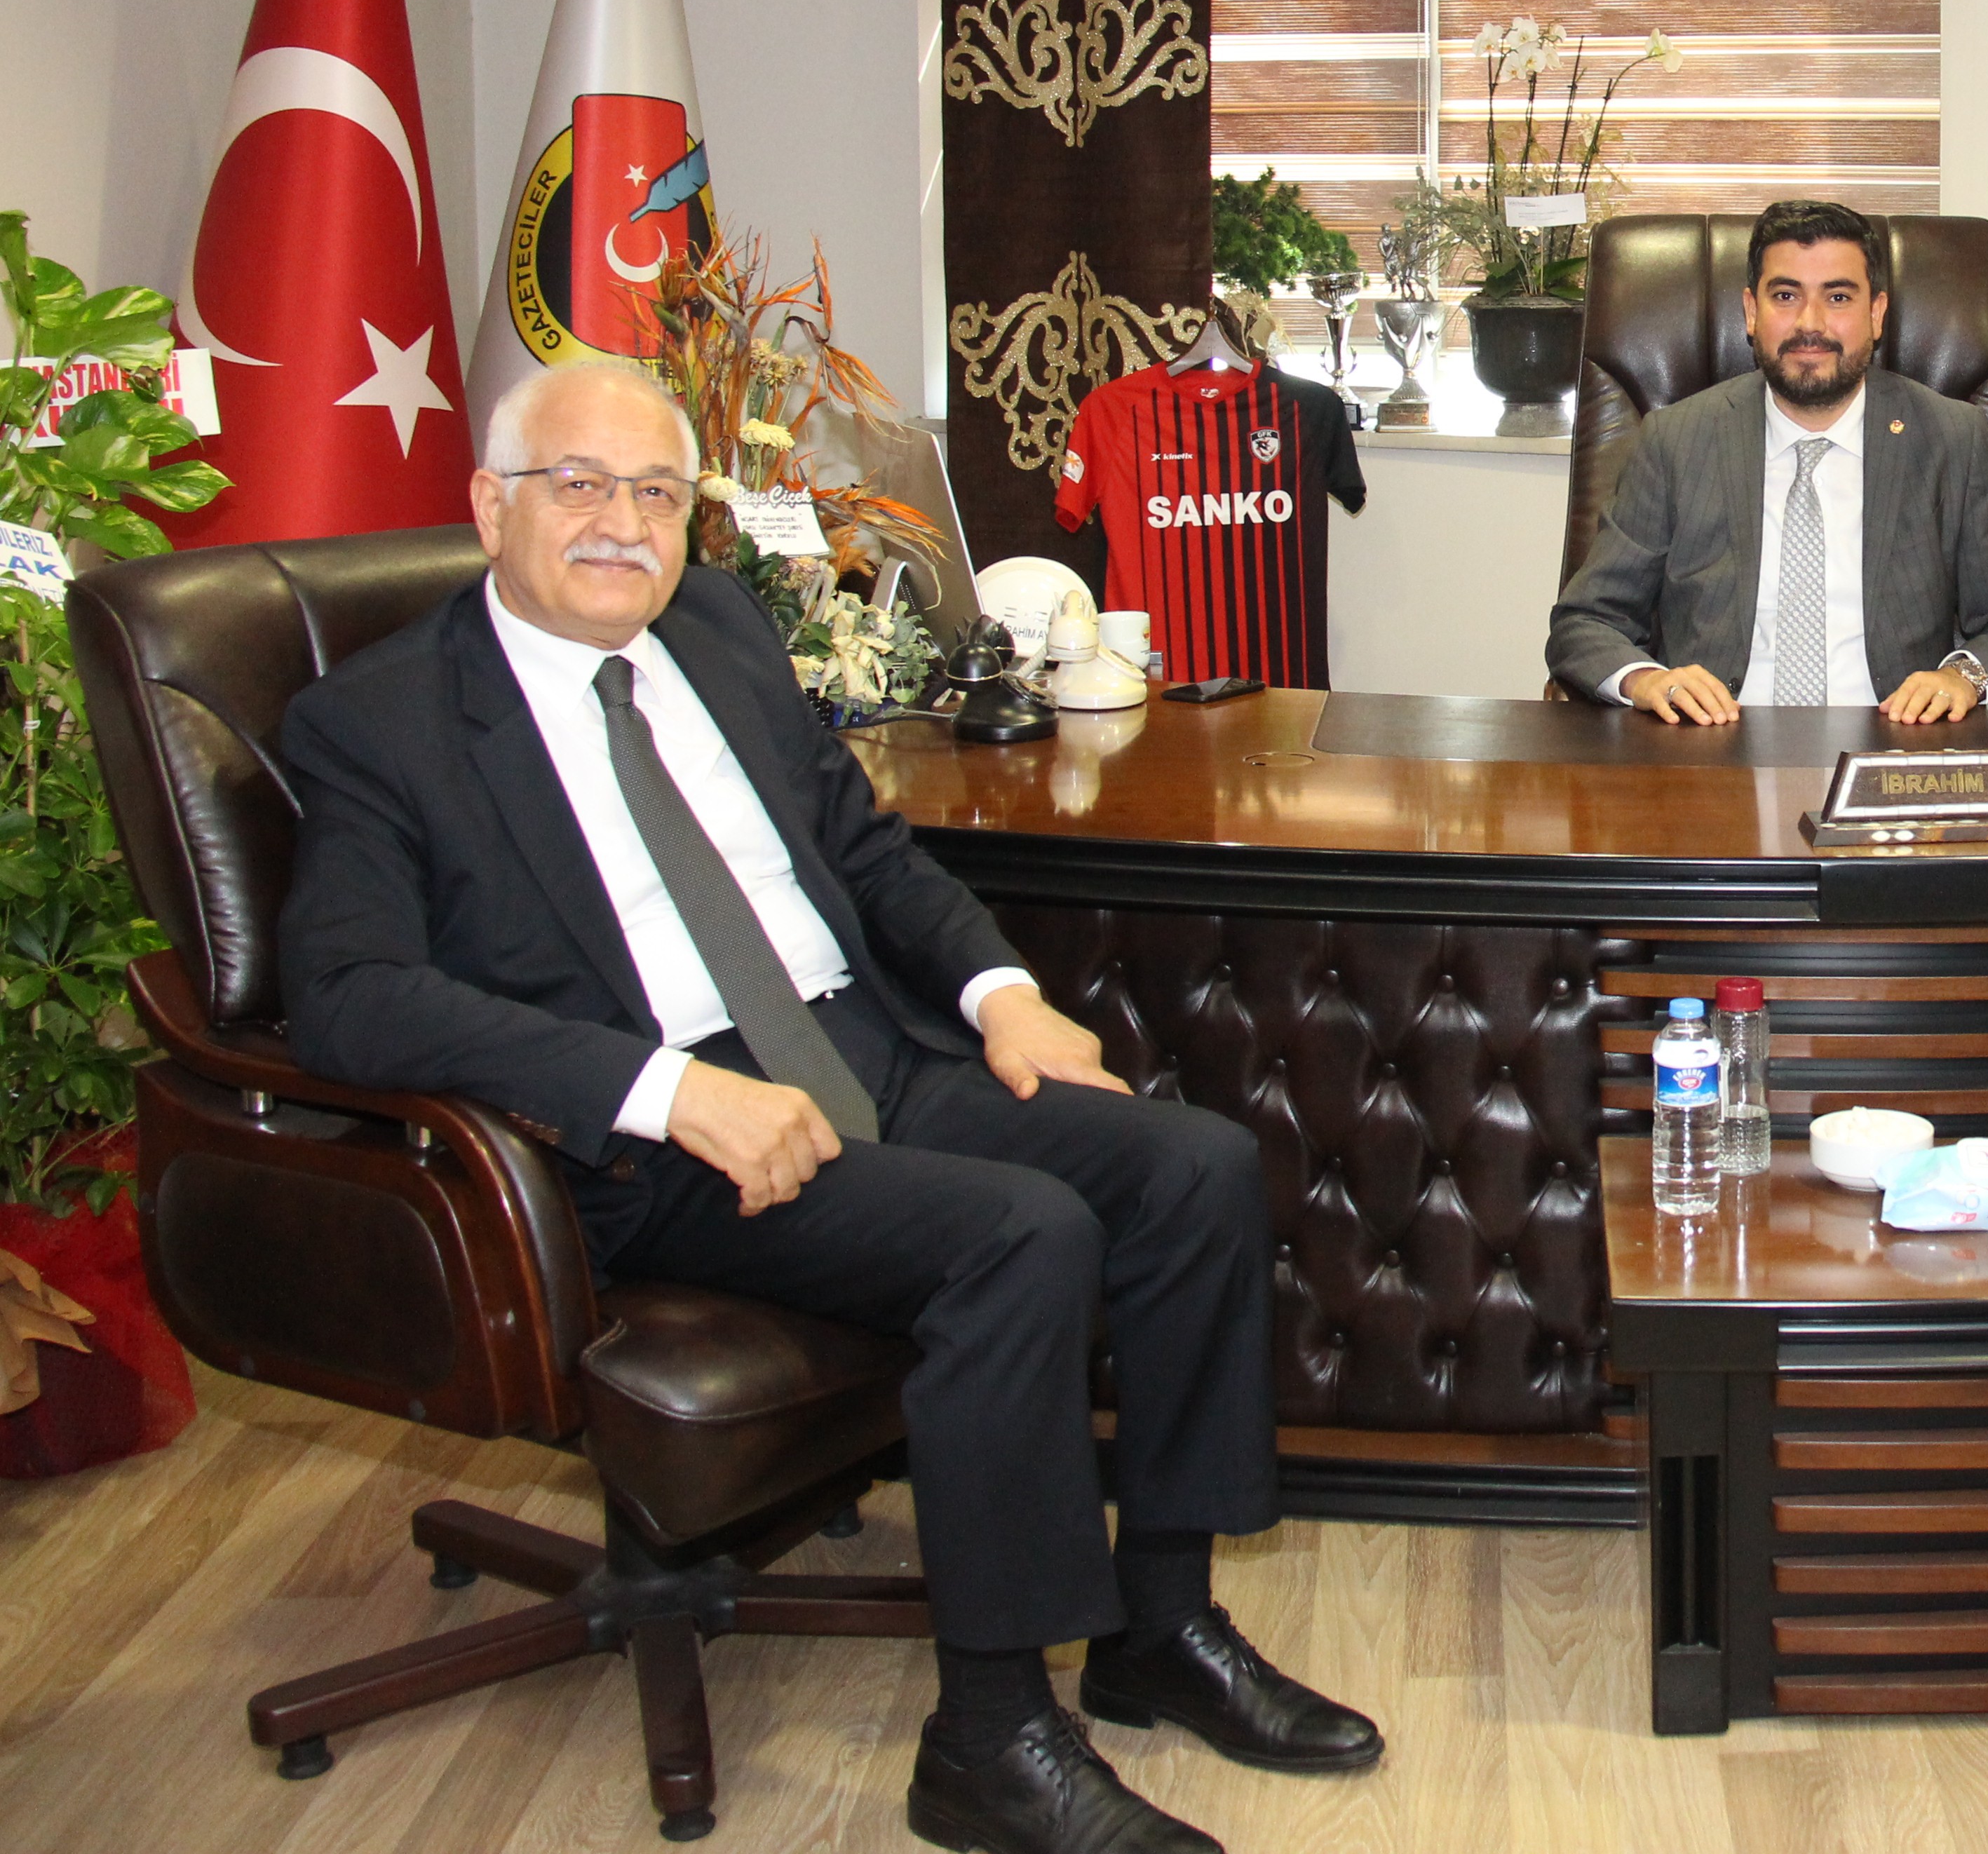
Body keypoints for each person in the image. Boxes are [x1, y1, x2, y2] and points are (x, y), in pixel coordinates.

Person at [277, 359, 1379, 1854]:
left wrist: (1000, 995)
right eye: (578, 486)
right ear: (490, 505)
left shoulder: (717, 630)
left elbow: (864, 855)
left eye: (656, 493)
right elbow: (347, 994)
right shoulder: (380, 720)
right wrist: (668, 1090)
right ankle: (989, 1740)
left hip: (860, 1050)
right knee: (1022, 1236)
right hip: (650, 1140)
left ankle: (1159, 1627)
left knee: (1191, 1167)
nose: (621, 525)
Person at [1546, 198, 1988, 723]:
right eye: (1786, 296)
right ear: (1752, 312)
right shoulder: (1675, 441)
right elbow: (1585, 621)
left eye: (1838, 297)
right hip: (1714, 745)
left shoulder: (1952, 440)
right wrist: (1646, 680)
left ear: (1876, 314)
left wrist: (1963, 678)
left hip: (1893, 744)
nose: (1810, 324)